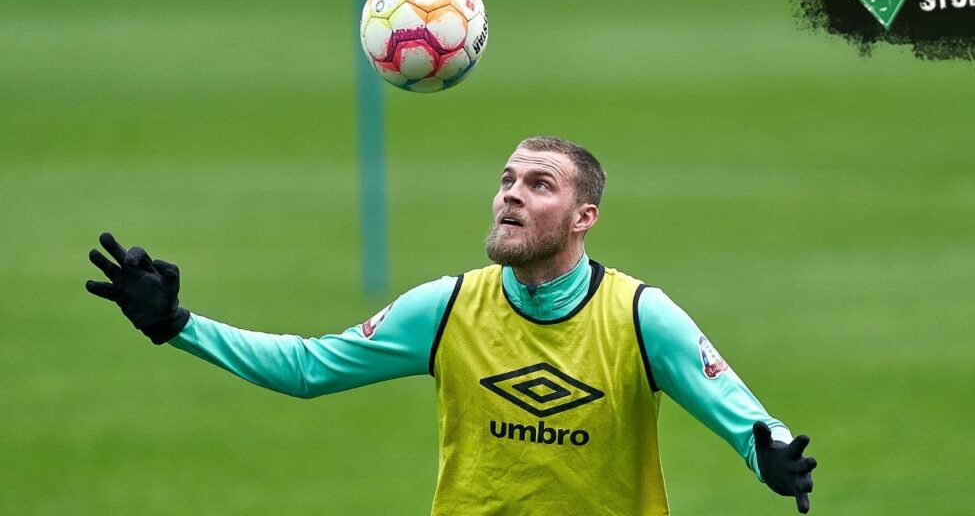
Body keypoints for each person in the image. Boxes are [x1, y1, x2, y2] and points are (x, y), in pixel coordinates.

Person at [86, 136, 817, 515]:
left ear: (583, 218)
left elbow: (746, 421)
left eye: (539, 184)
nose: (511, 195)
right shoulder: (445, 308)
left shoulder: (636, 315)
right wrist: (177, 324)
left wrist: (773, 460)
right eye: (506, 179)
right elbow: (308, 368)